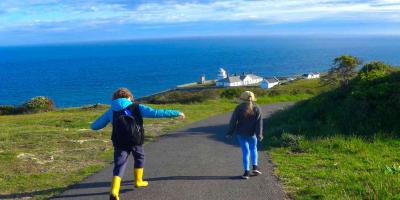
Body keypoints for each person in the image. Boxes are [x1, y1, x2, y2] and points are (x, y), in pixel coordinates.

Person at [90, 88, 185, 200]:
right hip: (136, 141)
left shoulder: (111, 111)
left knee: (119, 164)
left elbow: (95, 126)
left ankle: (114, 191)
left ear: (114, 99)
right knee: (140, 157)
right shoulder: (137, 107)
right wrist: (176, 113)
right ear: (129, 97)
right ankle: (138, 181)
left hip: (119, 142)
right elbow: (156, 113)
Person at [226, 91, 263, 179]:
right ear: (252, 99)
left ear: (242, 99)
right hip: (252, 134)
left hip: (241, 133)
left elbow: (233, 121)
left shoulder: (239, 108)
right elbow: (259, 123)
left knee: (246, 152)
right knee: (254, 149)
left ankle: (246, 173)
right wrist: (259, 134)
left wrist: (230, 133)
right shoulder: (257, 108)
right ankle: (255, 167)